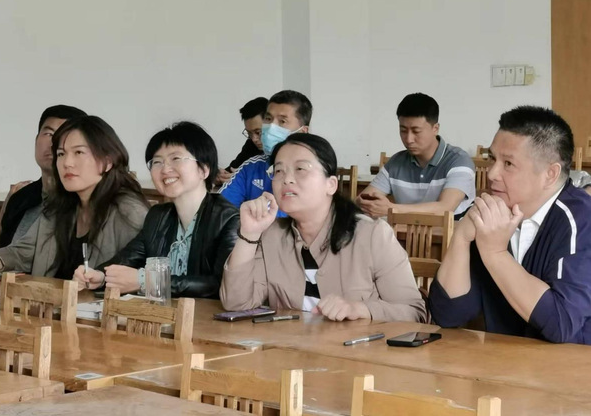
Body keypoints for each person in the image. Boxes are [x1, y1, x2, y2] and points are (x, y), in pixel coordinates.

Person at [220, 133, 426, 322]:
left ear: (331, 185)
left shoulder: (372, 235)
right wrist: (249, 234)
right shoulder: (270, 235)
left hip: (355, 350)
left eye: (300, 169)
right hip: (286, 348)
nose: (287, 179)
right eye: (279, 171)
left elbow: (414, 313)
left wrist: (361, 309)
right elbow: (237, 304)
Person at [428, 106, 591, 344]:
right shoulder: (493, 214)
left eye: (508, 164)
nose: (491, 173)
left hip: (572, 364)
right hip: (503, 360)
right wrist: (461, 237)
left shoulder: (582, 220)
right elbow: (449, 315)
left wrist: (495, 253)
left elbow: (561, 323)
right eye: (493, 159)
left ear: (550, 174)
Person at [0, 115, 149, 278]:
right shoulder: (59, 206)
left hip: (98, 307)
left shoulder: (129, 211)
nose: (67, 163)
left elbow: (146, 277)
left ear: (107, 161)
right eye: (61, 154)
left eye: (79, 152)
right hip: (51, 304)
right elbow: (22, 253)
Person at [76, 121, 239, 299]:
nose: (165, 169)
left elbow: (222, 285)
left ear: (204, 169)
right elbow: (127, 258)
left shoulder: (229, 219)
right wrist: (100, 277)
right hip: (164, 313)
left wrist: (148, 280)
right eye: (157, 162)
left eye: (176, 159)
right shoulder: (158, 216)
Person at [357, 93, 475, 219]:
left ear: (435, 128)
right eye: (403, 130)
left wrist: (391, 209)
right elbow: (363, 200)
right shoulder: (396, 163)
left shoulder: (459, 161)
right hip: (403, 231)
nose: (409, 139)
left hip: (452, 231)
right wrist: (364, 203)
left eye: (416, 131)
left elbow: (445, 208)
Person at [0, 105, 87, 250]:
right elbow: (0, 250)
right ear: (36, 139)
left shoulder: (86, 203)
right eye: (49, 134)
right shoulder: (20, 198)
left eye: (65, 135)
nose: (54, 143)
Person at [220, 90, 312, 214]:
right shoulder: (250, 167)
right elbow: (219, 212)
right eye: (268, 119)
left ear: (302, 131)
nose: (271, 127)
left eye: (282, 121)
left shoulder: (316, 172)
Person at [216, 97, 267, 185]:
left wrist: (244, 179)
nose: (254, 139)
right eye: (249, 133)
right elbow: (233, 169)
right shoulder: (251, 145)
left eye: (258, 132)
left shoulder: (285, 149)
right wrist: (219, 176)